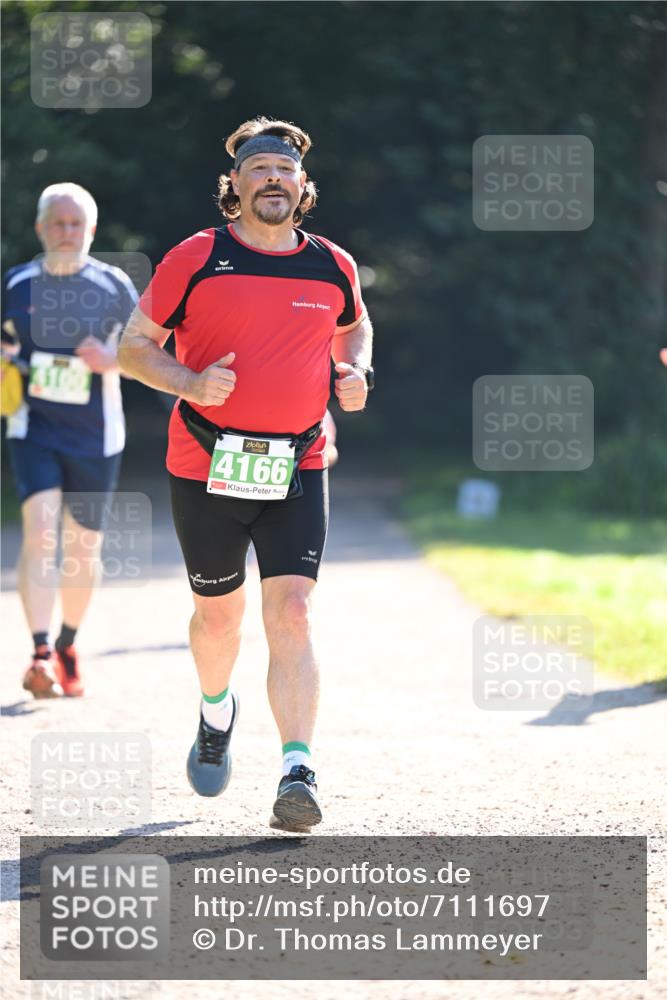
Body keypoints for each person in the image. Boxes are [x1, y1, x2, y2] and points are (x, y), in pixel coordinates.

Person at [118, 116, 374, 831]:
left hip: (297, 461)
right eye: (258, 170)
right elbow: (134, 348)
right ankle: (213, 711)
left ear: (303, 187)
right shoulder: (197, 257)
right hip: (205, 461)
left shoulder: (332, 264)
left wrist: (355, 368)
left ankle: (297, 769)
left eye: (284, 171)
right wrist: (191, 383)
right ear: (233, 185)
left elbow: (354, 325)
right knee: (218, 618)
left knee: (291, 612)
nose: (272, 180)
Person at [2, 183, 138, 698]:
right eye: (57, 223)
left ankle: (66, 643)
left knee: (82, 550)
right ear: (40, 228)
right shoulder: (16, 283)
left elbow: (148, 347)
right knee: (39, 533)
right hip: (33, 426)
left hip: (96, 435)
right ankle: (38, 653)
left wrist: (114, 358)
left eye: (75, 224)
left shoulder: (113, 285)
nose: (66, 232)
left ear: (92, 230)